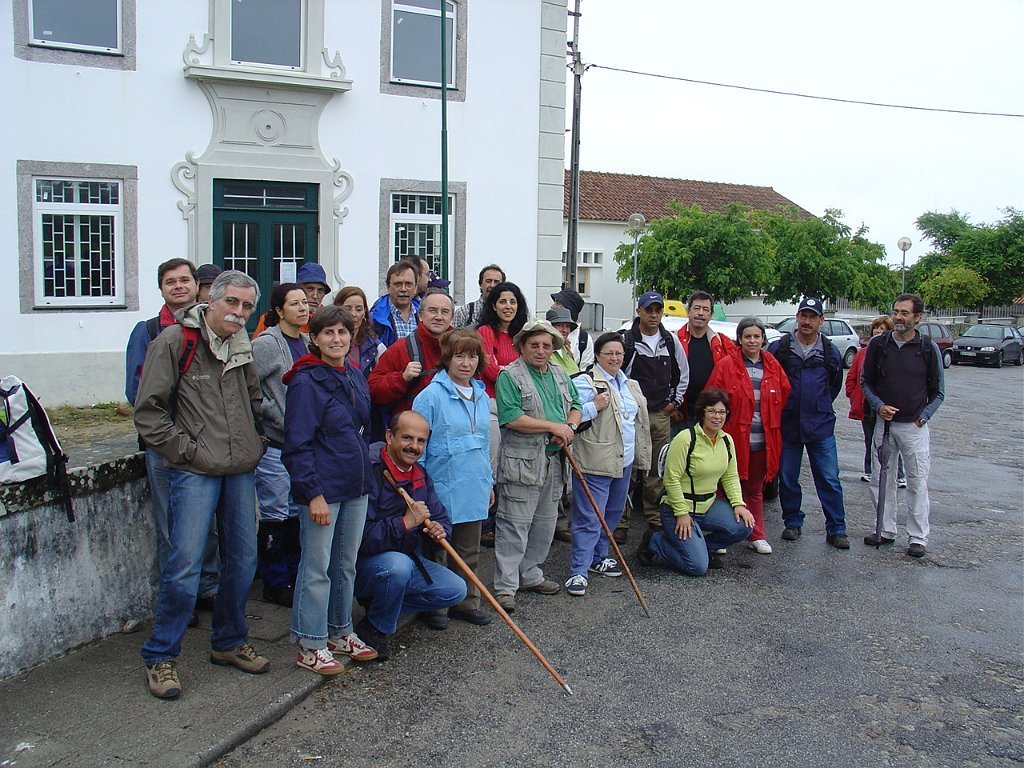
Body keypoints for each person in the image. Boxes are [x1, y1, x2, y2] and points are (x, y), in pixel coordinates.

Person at [135, 270, 269, 699]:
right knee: (185, 565)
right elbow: (149, 411)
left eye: (247, 306)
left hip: (240, 468)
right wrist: (185, 451)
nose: (238, 312)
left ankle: (229, 641)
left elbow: (254, 402)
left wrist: (257, 441)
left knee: (243, 561)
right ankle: (161, 655)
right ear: (210, 299)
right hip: (195, 469)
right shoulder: (175, 342)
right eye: (232, 302)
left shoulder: (241, 344)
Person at [282, 304, 379, 675]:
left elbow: (362, 430)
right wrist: (312, 493)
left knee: (345, 564)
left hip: (355, 483)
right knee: (317, 566)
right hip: (324, 487)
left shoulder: (354, 374)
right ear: (315, 339)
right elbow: (297, 444)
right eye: (328, 333)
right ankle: (310, 642)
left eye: (342, 332)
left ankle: (340, 631)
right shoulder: (306, 382)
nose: (336, 339)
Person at [125, 260, 219, 619]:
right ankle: (179, 600)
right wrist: (171, 434)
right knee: (171, 525)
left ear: (197, 286)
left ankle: (208, 587)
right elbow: (137, 392)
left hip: (206, 445)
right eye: (170, 282)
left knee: (207, 521)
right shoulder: (147, 331)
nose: (178, 287)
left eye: (184, 280)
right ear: (161, 289)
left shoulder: (211, 330)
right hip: (164, 446)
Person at [354, 411, 468, 660]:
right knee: (399, 566)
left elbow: (440, 517)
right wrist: (403, 524)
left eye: (420, 441)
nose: (414, 447)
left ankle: (379, 613)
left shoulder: (420, 474)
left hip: (405, 561)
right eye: (407, 438)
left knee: (455, 590)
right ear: (389, 436)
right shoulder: (370, 469)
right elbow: (357, 537)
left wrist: (439, 531)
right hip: (364, 565)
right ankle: (376, 629)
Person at [493, 319, 582, 612]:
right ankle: (505, 587)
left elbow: (577, 405)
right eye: (534, 345)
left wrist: (569, 425)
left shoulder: (559, 373)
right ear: (522, 347)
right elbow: (511, 417)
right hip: (522, 463)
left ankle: (530, 574)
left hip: (555, 461)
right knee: (514, 524)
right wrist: (554, 426)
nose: (541, 350)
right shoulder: (510, 375)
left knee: (544, 523)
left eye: (546, 345)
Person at [412, 330, 495, 626]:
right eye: (459, 356)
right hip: (440, 486)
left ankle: (467, 603)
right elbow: (416, 449)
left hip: (474, 484)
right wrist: (417, 491)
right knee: (438, 551)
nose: (466, 363)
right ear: (447, 358)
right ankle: (436, 606)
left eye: (472, 356)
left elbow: (484, 443)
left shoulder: (482, 396)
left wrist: (488, 483)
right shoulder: (430, 396)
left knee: (469, 550)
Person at [564, 333, 651, 596]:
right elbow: (572, 417)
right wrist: (594, 405)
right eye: (609, 353)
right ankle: (577, 570)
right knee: (589, 516)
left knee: (612, 513)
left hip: (623, 460)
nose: (615, 358)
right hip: (595, 460)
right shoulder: (587, 381)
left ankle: (598, 558)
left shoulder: (630, 384)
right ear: (598, 356)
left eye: (619, 353)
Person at [860, 294, 944, 558]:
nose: (898, 317)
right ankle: (885, 530)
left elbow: (938, 391)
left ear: (917, 317)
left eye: (905, 313)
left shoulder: (928, 348)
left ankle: (918, 537)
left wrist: (924, 416)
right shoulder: (878, 345)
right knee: (881, 480)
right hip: (884, 425)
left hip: (914, 427)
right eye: (896, 312)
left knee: (917, 481)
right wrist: (878, 405)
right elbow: (866, 382)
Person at [636, 388, 754, 575]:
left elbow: (730, 476)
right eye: (712, 411)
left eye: (722, 412)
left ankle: (701, 548)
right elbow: (671, 478)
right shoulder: (685, 438)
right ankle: (655, 541)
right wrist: (682, 513)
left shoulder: (726, 440)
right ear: (702, 412)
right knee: (697, 567)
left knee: (744, 525)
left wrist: (738, 504)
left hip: (707, 506)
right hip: (677, 508)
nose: (717, 417)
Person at [767, 297, 849, 549]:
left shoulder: (829, 351)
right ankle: (792, 522)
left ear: (821, 321)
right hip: (788, 424)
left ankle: (837, 528)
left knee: (828, 478)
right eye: (803, 315)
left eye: (812, 316)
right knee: (789, 477)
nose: (807, 321)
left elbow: (834, 385)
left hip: (820, 425)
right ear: (797, 317)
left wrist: (818, 405)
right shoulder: (779, 348)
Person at [706, 317, 791, 555]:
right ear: (740, 339)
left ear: (763, 339)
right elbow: (712, 397)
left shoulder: (773, 365)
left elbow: (783, 394)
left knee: (755, 489)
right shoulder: (726, 364)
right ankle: (721, 535)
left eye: (756, 336)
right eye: (747, 336)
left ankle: (757, 534)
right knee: (723, 489)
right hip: (732, 440)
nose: (752, 340)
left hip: (762, 441)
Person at [251, 283, 310, 607]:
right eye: (295, 303)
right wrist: (273, 413)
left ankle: (294, 573)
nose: (303, 308)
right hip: (275, 443)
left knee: (294, 512)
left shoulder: (305, 341)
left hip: (301, 445)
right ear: (279, 310)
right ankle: (274, 582)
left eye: (304, 303)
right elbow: (249, 388)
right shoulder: (267, 344)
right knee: (275, 513)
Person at [617, 291, 690, 542]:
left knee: (656, 471)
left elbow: (682, 375)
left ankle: (654, 520)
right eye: (649, 310)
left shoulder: (670, 341)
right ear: (639, 311)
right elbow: (616, 376)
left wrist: (674, 403)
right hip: (632, 417)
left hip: (660, 415)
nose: (654, 314)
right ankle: (621, 522)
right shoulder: (626, 341)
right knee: (629, 471)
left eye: (658, 310)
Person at [368, 291, 455, 418]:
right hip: (414, 432)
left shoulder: (461, 348)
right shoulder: (401, 348)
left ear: (452, 317)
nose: (439, 316)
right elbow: (373, 390)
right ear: (420, 315)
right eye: (433, 310)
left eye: (445, 312)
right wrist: (402, 378)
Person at [846, 316, 906, 487]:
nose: (879, 331)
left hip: (888, 406)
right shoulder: (862, 353)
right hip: (867, 405)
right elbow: (852, 377)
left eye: (884, 328)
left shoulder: (894, 353)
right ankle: (870, 471)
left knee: (892, 441)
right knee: (870, 439)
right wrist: (853, 395)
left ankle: (898, 474)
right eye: (877, 328)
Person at [677, 290, 734, 424]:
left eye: (705, 309)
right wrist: (672, 406)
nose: (700, 313)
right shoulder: (674, 341)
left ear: (711, 314)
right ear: (688, 311)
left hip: (711, 416)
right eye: (696, 308)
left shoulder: (722, 343)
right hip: (681, 414)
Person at [251, 262, 331, 337]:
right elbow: (258, 348)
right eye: (310, 289)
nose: (315, 295)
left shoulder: (329, 318)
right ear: (299, 289)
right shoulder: (271, 318)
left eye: (320, 290)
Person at [333, 286, 387, 376]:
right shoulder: (328, 343)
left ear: (364, 313)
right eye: (347, 309)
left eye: (358, 309)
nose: (353, 314)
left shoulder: (376, 347)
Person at [369, 261, 421, 347]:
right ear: (388, 287)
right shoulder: (375, 317)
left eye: (408, 284)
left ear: (415, 287)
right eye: (398, 284)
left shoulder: (425, 315)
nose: (403, 289)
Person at [550, 288, 595, 371]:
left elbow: (586, 371)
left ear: (569, 310)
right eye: (559, 325)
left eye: (558, 304)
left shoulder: (583, 339)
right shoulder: (545, 332)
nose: (552, 306)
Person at [454, 264, 506, 328]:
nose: (492, 285)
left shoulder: (507, 313)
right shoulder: (463, 312)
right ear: (480, 284)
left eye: (496, 282)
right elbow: (454, 337)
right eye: (488, 281)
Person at [546, 306, 582, 375]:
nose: (564, 330)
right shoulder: (544, 352)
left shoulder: (567, 349)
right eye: (559, 325)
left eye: (567, 326)